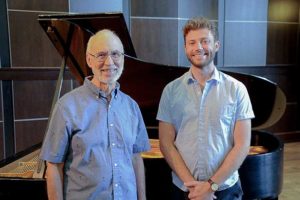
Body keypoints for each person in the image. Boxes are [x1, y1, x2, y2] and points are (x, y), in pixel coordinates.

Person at [40, 29, 150, 200]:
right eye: (101, 55)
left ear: (123, 58)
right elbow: (54, 166)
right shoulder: (66, 107)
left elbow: (136, 159)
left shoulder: (132, 107)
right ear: (88, 59)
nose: (109, 62)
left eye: (115, 54)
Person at [157, 17, 255, 200]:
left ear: (216, 45)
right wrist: (195, 189)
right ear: (186, 48)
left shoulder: (237, 89)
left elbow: (242, 145)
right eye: (192, 42)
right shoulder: (170, 91)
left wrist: (211, 186)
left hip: (224, 189)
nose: (198, 47)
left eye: (205, 41)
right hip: (183, 189)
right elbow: (166, 143)